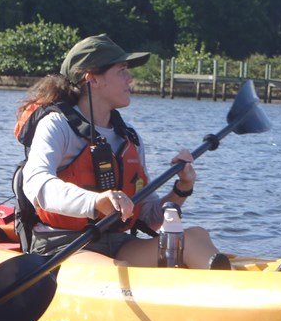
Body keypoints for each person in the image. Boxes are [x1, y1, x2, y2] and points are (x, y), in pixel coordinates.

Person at [14, 33, 231, 270]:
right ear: (92, 80)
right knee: (115, 269)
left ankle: (235, 291)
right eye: (121, 71)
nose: (130, 79)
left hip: (119, 244)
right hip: (62, 246)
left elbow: (148, 216)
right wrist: (95, 201)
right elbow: (36, 184)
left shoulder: (128, 137)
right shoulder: (57, 125)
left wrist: (182, 188)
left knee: (195, 236)